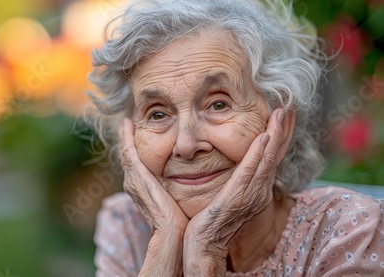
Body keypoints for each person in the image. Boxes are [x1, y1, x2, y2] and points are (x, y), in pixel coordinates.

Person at [87, 0, 384, 275]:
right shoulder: (128, 227)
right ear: (129, 137)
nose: (187, 145)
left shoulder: (347, 231)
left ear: (280, 127)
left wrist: (207, 249)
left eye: (219, 104)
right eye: (158, 114)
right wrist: (162, 249)